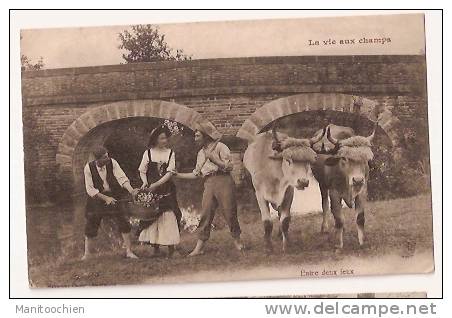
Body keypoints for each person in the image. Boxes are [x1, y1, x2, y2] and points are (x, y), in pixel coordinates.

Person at [175, 121, 244, 256]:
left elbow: (229, 167)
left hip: (224, 180)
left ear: (205, 136)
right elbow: (196, 174)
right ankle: (199, 248)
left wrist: (214, 158)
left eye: (197, 136)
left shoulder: (220, 146)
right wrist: (177, 175)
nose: (195, 138)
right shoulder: (200, 153)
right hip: (208, 183)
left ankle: (238, 241)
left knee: (230, 212)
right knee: (205, 214)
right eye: (195, 136)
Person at [82, 146, 139, 260]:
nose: (108, 158)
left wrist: (131, 190)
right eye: (104, 157)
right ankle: (87, 254)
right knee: (91, 224)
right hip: (97, 198)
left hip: (114, 195)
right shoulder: (88, 168)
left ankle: (129, 251)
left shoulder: (112, 162)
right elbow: (90, 189)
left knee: (123, 221)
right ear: (97, 160)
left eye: (107, 156)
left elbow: (122, 178)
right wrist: (105, 198)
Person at [137, 125, 182, 257]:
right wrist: (145, 182)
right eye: (162, 138)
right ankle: (155, 248)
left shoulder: (170, 153)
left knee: (169, 216)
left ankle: (171, 249)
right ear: (155, 139)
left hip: (166, 189)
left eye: (166, 138)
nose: (165, 141)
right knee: (152, 217)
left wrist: (156, 184)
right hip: (151, 190)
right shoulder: (148, 153)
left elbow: (169, 173)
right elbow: (142, 170)